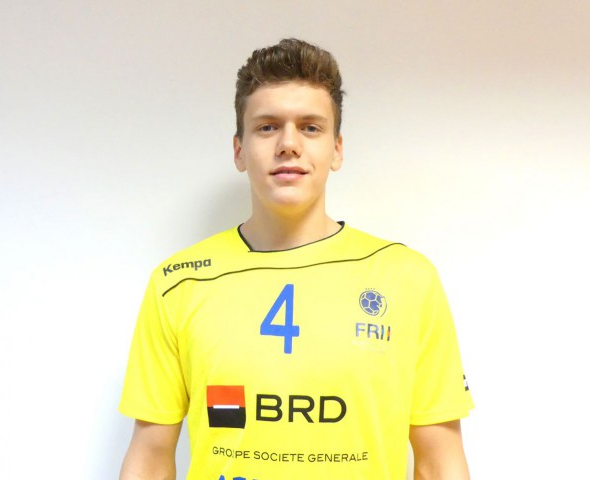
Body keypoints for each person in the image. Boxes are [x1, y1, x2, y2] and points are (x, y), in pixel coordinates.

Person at [119, 38, 474, 480]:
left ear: (337, 149)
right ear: (239, 150)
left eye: (310, 127)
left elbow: (440, 462)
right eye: (267, 127)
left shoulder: (407, 279)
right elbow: (151, 457)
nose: (288, 144)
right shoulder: (177, 283)